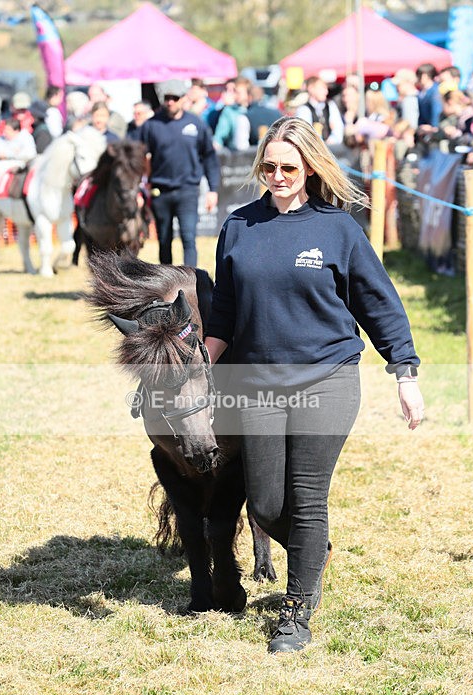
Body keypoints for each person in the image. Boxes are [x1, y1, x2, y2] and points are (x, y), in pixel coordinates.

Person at [204, 117, 424, 654]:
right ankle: (312, 550)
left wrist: (405, 374)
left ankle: (296, 613)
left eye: (288, 167)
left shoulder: (338, 228)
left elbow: (379, 304)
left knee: (306, 499)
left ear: (309, 168)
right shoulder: (238, 227)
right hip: (255, 383)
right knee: (264, 502)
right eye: (269, 167)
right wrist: (202, 365)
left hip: (326, 380)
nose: (277, 176)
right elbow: (226, 312)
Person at [138, 78, 220, 267]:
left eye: (175, 97)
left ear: (184, 98)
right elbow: (139, 156)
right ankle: (167, 284)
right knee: (164, 240)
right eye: (167, 98)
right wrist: (140, 188)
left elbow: (209, 157)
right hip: (161, 191)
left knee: (188, 238)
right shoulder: (152, 125)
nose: (170, 102)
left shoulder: (196, 124)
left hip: (188, 190)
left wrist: (213, 189)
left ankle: (191, 283)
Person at [295, 76, 344, 146]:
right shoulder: (303, 109)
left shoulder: (330, 105)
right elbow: (305, 134)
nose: (326, 92)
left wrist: (331, 141)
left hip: (331, 148)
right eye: (322, 88)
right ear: (311, 89)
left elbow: (338, 129)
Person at [213, 76, 251, 151]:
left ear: (248, 94)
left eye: (237, 92)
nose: (234, 95)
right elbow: (219, 138)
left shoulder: (255, 110)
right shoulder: (229, 111)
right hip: (237, 157)